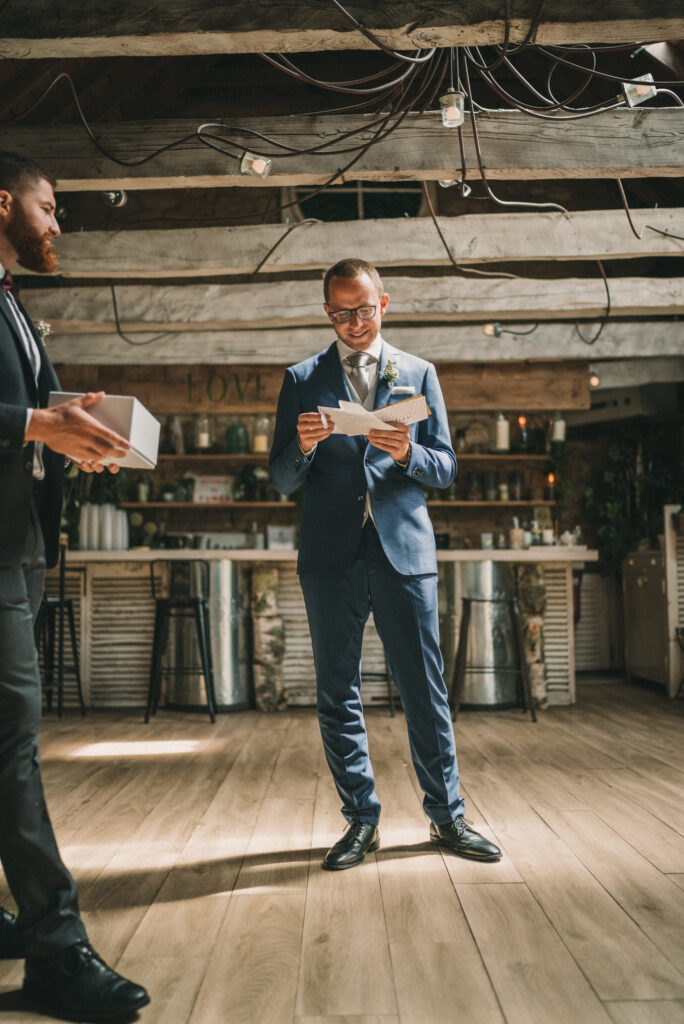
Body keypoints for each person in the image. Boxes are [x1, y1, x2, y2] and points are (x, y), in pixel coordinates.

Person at [269, 258, 501, 870]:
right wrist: (304, 446)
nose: (354, 321)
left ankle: (447, 817)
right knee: (338, 691)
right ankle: (360, 821)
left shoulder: (419, 373)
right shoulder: (301, 378)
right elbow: (279, 477)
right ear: (327, 312)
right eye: (341, 312)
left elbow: (446, 468)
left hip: (406, 552)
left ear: (384, 303)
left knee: (425, 689)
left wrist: (408, 454)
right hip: (329, 556)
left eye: (364, 309)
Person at [0, 151, 150, 1021]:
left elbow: (23, 406)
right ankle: (56, 951)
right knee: (11, 747)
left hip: (19, 543)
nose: (57, 223)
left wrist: (69, 412)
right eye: (47, 207)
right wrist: (35, 421)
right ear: (3, 204)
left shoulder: (12, 298)